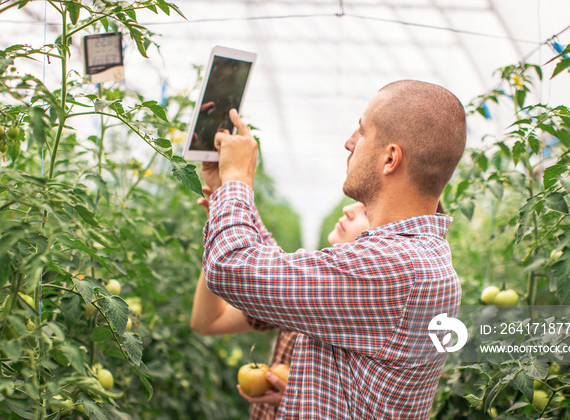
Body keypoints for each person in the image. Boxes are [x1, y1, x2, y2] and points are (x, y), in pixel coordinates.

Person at [199, 79, 467, 419]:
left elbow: (231, 266)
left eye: (362, 131)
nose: (349, 143)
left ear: (390, 158)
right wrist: (225, 188)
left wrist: (238, 179)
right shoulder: (416, 258)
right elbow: (284, 272)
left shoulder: (391, 267)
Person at [191, 200, 370, 419]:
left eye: (367, 211)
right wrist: (219, 234)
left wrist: (300, 400)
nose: (349, 209)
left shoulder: (363, 319)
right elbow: (208, 321)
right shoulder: (298, 296)